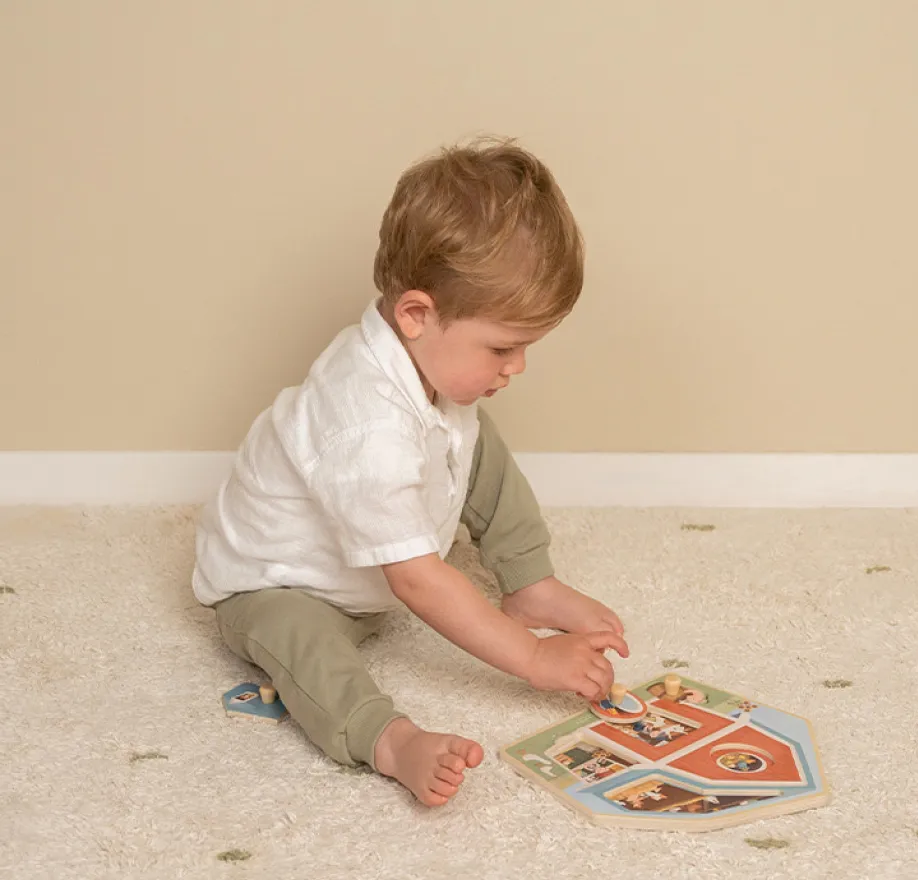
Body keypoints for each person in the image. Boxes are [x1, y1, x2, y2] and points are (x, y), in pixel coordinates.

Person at [193, 137, 629, 806]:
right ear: (417, 315)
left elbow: (466, 456)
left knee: (476, 441)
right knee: (303, 646)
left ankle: (529, 580)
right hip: (281, 583)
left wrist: (522, 578)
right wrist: (533, 656)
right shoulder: (365, 426)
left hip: (367, 570)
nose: (517, 367)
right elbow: (419, 582)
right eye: (502, 347)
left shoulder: (427, 368)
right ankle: (389, 740)